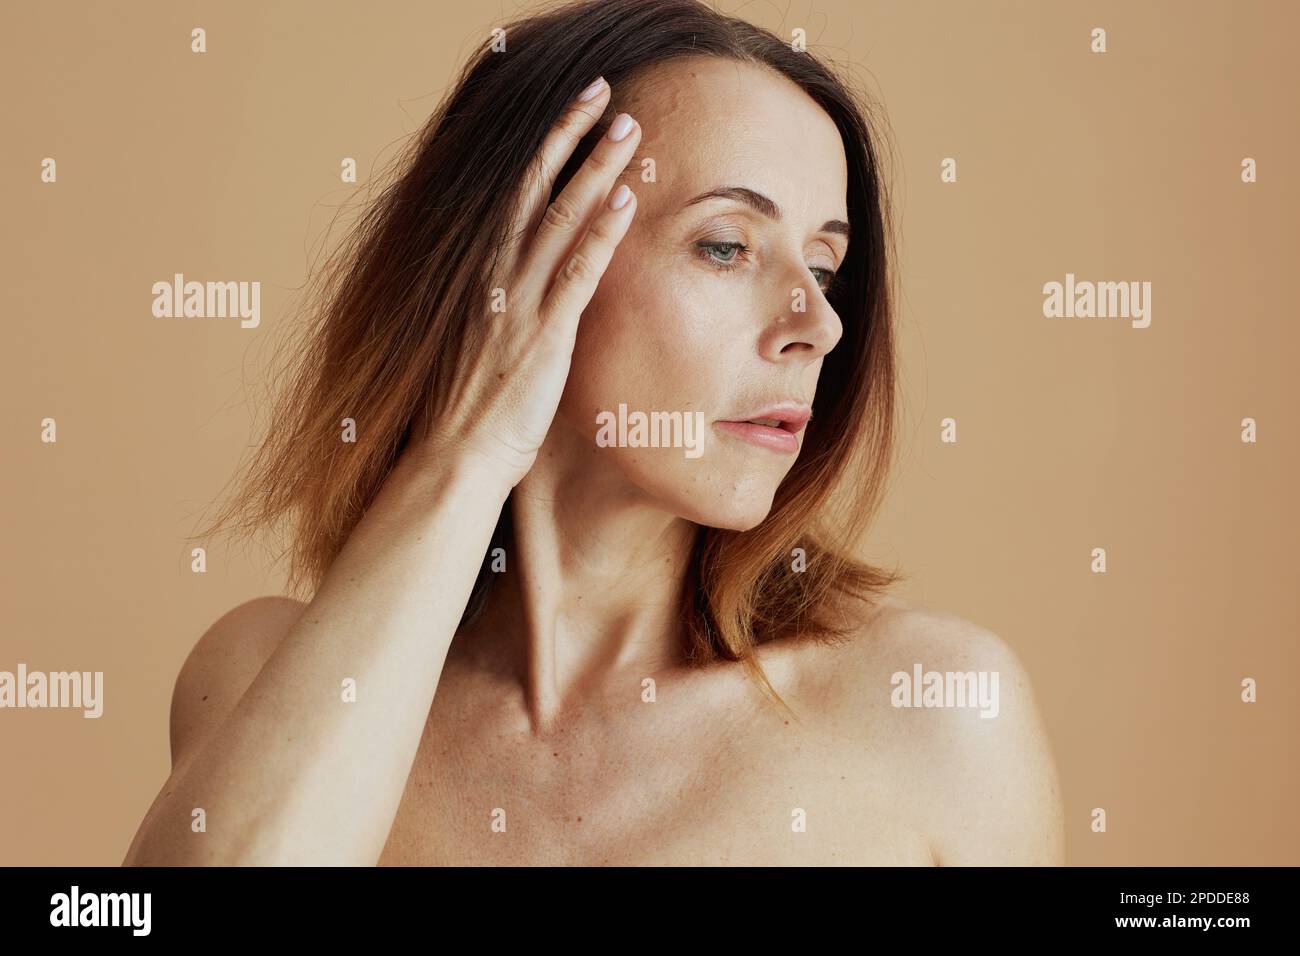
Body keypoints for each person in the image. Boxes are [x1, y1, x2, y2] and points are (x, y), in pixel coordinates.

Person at [123, 0, 1064, 866]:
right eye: (727, 245)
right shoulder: (260, 673)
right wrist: (465, 458)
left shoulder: (934, 712)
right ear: (515, 262)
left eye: (825, 265)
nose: (818, 322)